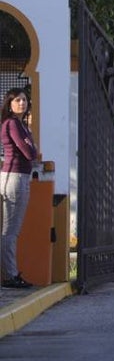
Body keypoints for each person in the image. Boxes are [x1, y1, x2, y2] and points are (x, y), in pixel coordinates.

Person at [1, 88, 37, 289]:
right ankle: (9, 276)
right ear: (10, 103)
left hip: (19, 177)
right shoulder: (13, 124)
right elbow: (29, 152)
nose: (21, 103)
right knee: (10, 231)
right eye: (17, 100)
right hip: (13, 178)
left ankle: (11, 273)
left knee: (12, 230)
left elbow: (31, 150)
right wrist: (30, 143)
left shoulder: (21, 125)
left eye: (24, 100)